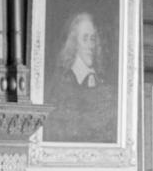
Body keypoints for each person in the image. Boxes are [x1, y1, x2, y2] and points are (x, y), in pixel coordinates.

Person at [46, 9, 118, 143]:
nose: (90, 45)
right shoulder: (61, 86)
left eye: (93, 39)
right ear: (74, 43)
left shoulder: (103, 84)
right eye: (85, 38)